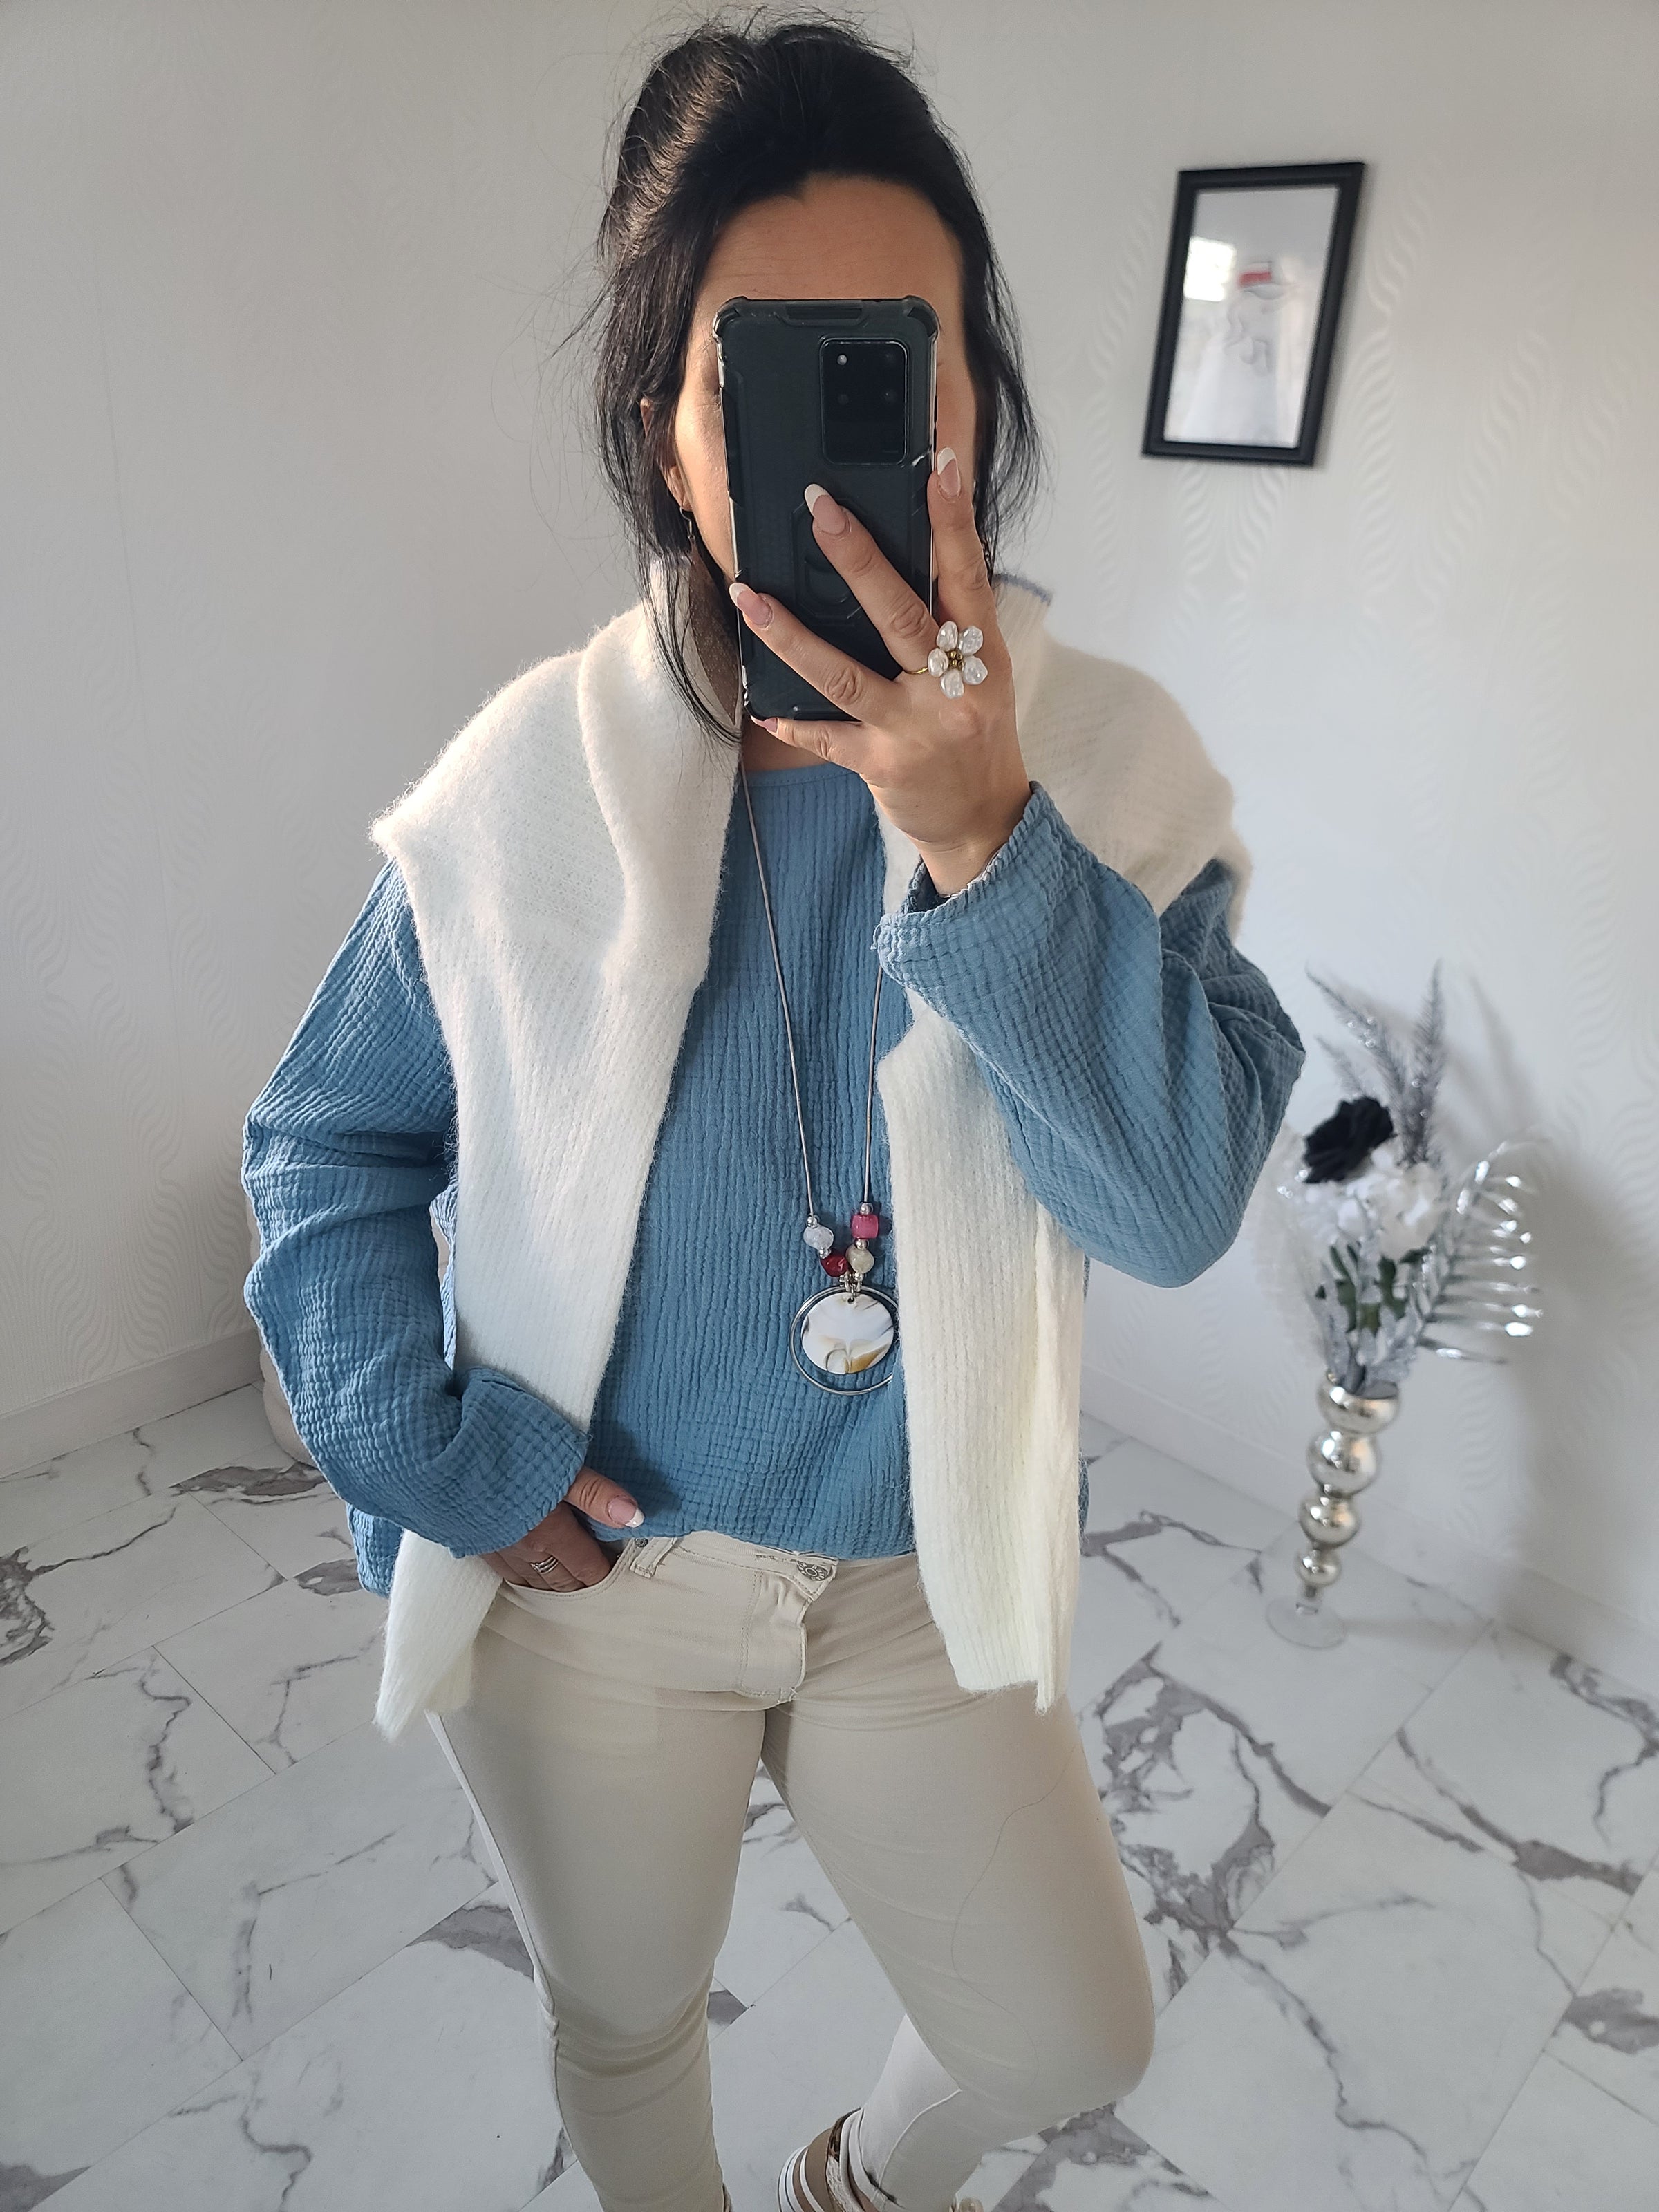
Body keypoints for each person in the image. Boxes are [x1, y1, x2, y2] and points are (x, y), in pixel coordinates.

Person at [241, 18, 1306, 2212]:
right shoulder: (531, 783)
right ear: (668, 428)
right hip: (599, 1574)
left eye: (894, 363)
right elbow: (323, 1146)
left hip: (920, 1560)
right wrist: (437, 1452)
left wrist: (989, 839)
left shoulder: (1111, 771)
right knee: (626, 2018)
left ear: (976, 399)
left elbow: (1180, 1200)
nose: (837, 452)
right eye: (764, 372)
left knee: (1066, 2030)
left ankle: (853, 2187)